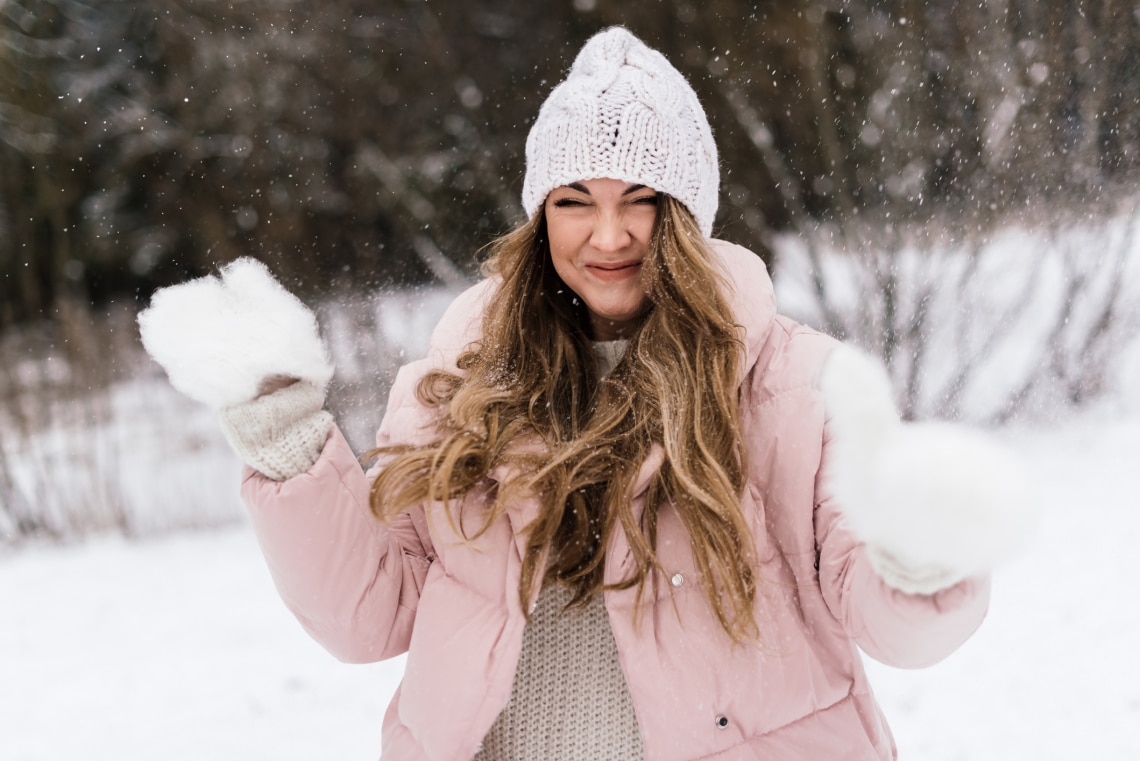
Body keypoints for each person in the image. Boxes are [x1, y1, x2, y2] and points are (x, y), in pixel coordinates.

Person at [138, 27, 1034, 761]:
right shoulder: (461, 386)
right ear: (540, 216)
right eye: (574, 199)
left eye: (641, 197)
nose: (609, 233)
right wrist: (285, 433)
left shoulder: (791, 383)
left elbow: (888, 621)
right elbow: (373, 614)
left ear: (686, 216)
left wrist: (921, 554)